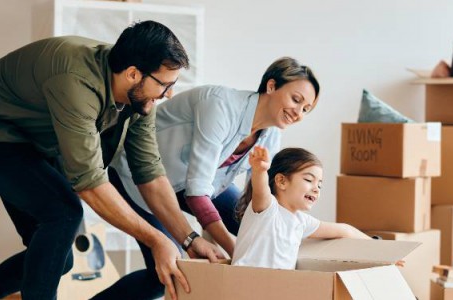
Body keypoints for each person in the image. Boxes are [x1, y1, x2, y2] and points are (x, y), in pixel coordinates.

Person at [0, 21, 222, 300]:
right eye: (165, 84)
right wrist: (156, 239)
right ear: (133, 74)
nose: (169, 94)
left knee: (60, 258)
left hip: (35, 143)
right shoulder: (75, 80)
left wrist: (189, 239)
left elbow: (149, 171)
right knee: (64, 214)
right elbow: (89, 182)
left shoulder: (140, 100)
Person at [96, 57, 319, 298]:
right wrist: (238, 255)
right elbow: (196, 192)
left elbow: (264, 207)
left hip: (197, 187)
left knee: (256, 224)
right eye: (296, 100)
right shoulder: (220, 105)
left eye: (306, 109)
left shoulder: (271, 135)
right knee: (169, 271)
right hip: (139, 176)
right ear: (272, 86)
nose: (298, 113)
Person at [231, 147, 370, 269]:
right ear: (281, 181)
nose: (316, 189)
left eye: (319, 185)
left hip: (276, 289)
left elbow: (345, 230)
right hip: (245, 284)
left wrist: (379, 246)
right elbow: (261, 190)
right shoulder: (268, 208)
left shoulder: (302, 221)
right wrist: (260, 170)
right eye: (309, 180)